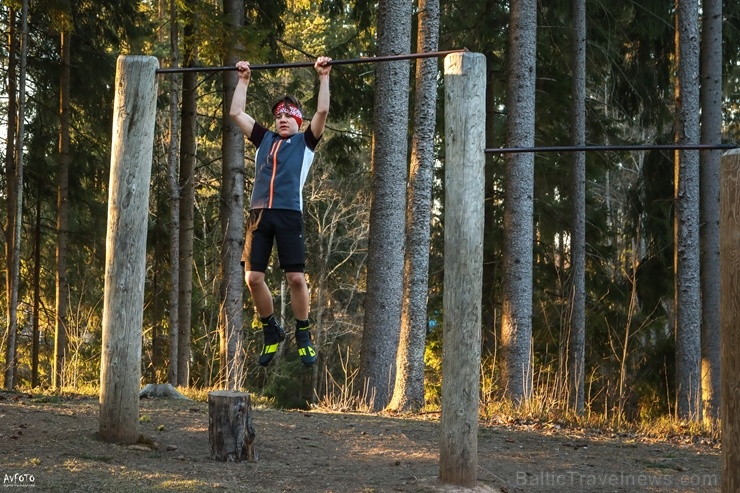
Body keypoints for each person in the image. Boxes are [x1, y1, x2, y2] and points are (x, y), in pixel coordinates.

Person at [229, 56, 332, 368]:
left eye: (289, 115)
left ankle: (303, 333)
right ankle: (270, 329)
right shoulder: (264, 139)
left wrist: (323, 76)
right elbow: (236, 112)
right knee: (252, 278)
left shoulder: (306, 143)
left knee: (296, 279)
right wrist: (243, 80)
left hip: (288, 214)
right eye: (278, 115)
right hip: (259, 215)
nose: (282, 119)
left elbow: (323, 110)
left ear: (299, 122)